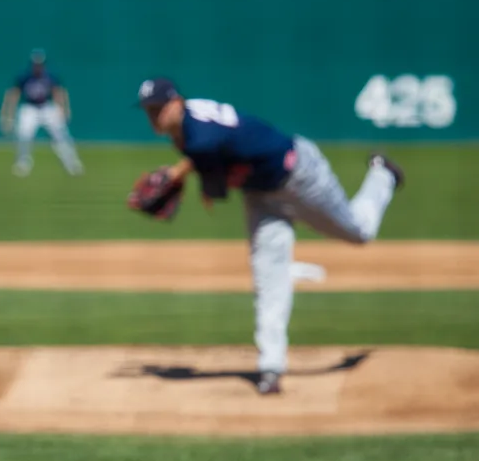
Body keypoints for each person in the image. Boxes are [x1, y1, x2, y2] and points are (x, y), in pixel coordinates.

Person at [134, 77, 403, 394]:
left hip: (300, 175)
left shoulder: (197, 138)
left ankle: (383, 174)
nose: (154, 115)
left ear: (177, 101)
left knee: (359, 232)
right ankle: (271, 368)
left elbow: (214, 183)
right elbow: (212, 155)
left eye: (159, 108)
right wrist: (179, 173)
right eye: (148, 110)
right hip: (261, 196)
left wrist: (186, 180)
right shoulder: (188, 127)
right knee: (268, 277)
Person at [0, 50, 83, 177]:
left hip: (47, 107)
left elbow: (58, 92)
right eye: (36, 64)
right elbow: (13, 94)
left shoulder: (50, 76)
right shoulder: (25, 77)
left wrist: (63, 109)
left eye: (40, 64)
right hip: (30, 108)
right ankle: (23, 162)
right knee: (23, 134)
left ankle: (71, 162)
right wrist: (7, 113)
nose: (38, 67)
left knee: (61, 134)